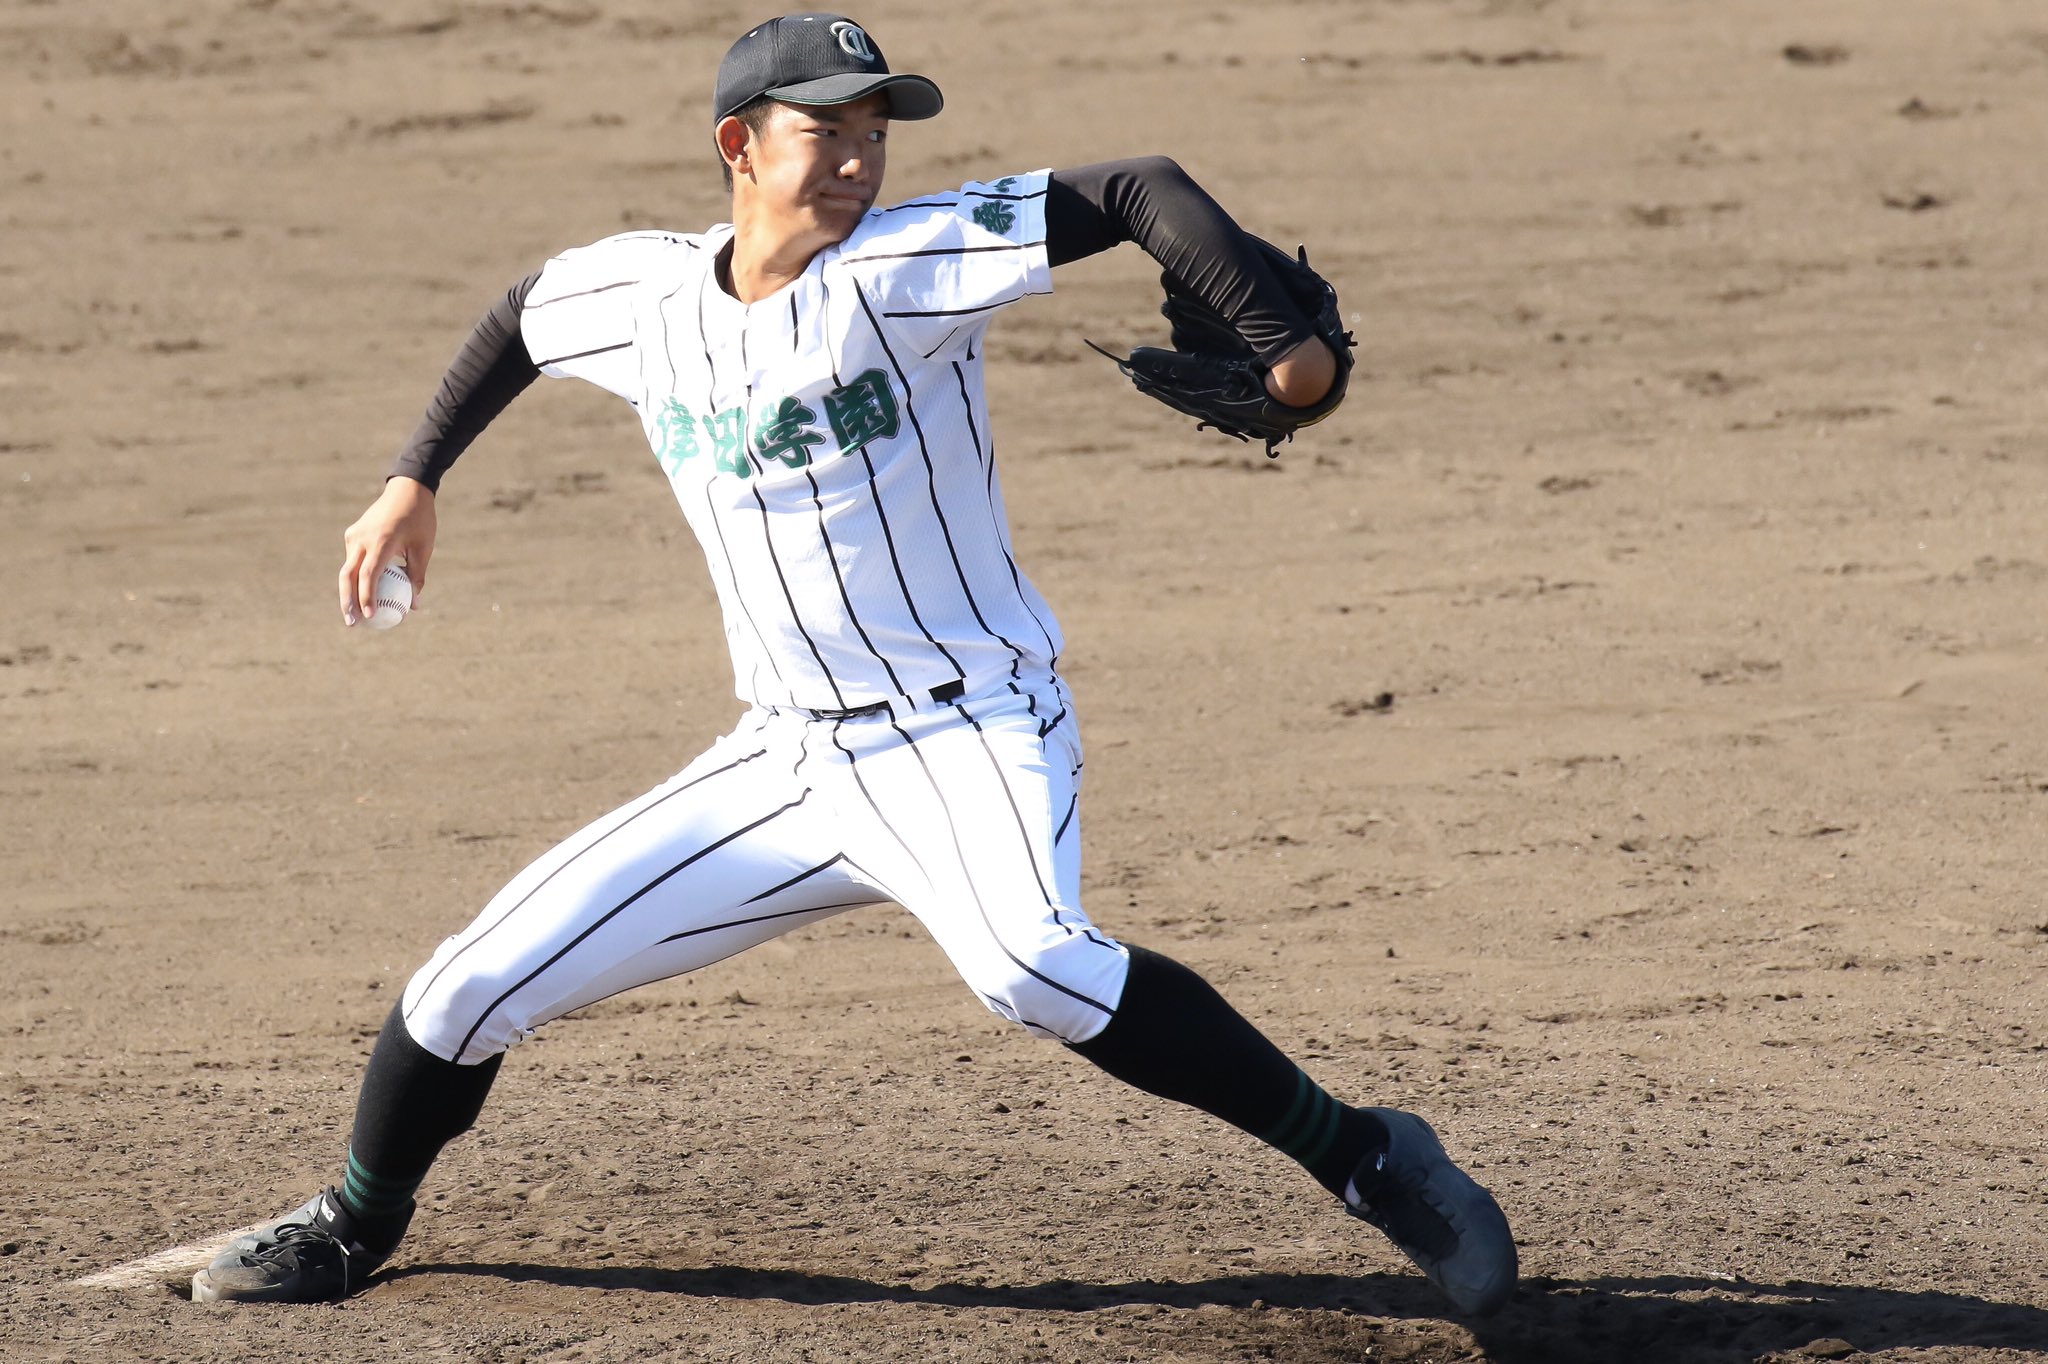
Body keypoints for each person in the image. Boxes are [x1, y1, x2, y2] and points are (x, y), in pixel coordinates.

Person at [191, 12, 1517, 1317]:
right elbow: (524, 319)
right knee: (462, 988)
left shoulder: (905, 266)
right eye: (824, 130)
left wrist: (1286, 355)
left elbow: (1134, 188)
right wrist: (410, 479)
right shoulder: (644, 294)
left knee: (1032, 968)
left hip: (969, 730)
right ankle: (355, 1225)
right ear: (739, 144)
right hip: (783, 759)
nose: (856, 159)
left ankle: (1370, 1158)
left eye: (871, 131)